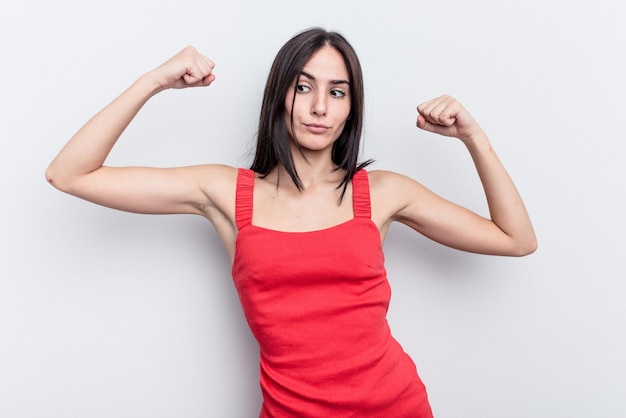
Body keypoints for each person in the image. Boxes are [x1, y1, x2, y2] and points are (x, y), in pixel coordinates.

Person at [46, 27, 537, 417]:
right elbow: (70, 174)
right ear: (281, 95)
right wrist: (154, 80)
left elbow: (516, 239)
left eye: (337, 92)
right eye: (304, 86)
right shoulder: (225, 193)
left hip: (396, 407)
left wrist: (473, 136)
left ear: (351, 108)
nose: (319, 106)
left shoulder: (381, 193)